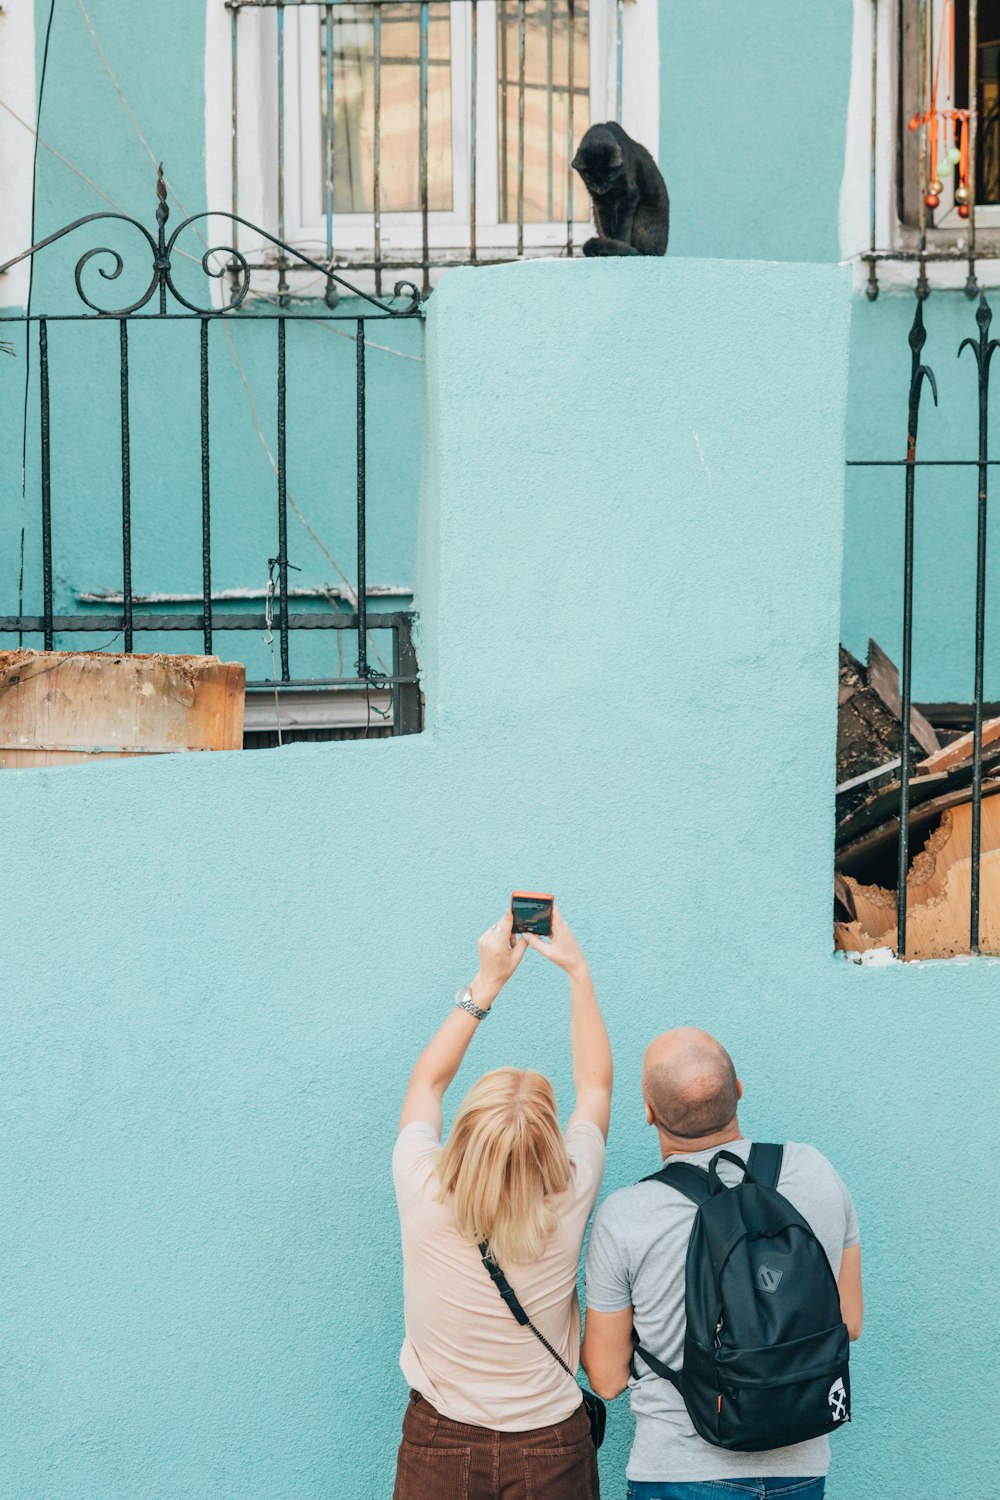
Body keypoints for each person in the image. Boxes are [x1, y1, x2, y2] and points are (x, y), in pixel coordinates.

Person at [581, 1028, 863, 1500]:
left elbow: (607, 1380)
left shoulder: (625, 1215)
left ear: (649, 1113)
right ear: (738, 1090)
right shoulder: (814, 1170)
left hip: (677, 1472)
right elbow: (848, 1323)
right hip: (801, 1468)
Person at [391, 905, 613, 1500]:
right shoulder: (571, 1190)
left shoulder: (422, 1183)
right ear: (550, 1147)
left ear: (464, 1133)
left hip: (439, 1441)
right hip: (552, 1447)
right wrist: (576, 970)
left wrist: (487, 982)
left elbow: (425, 1084)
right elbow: (595, 1087)